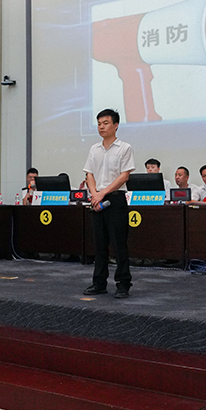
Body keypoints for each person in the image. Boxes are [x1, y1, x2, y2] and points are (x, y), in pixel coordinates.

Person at [83, 108, 135, 299]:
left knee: (119, 243)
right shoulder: (94, 149)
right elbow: (89, 174)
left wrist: (102, 193)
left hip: (115, 199)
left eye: (105, 123)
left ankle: (123, 284)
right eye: (99, 124)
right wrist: (95, 194)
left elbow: (124, 176)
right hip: (97, 200)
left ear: (116, 125)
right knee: (99, 244)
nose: (101, 127)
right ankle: (99, 283)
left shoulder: (124, 148)